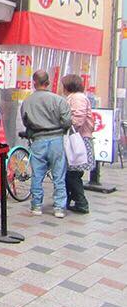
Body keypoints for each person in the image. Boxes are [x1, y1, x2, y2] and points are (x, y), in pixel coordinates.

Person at [21, 71, 72, 218]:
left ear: (34, 82)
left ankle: (36, 206)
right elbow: (67, 121)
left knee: (37, 174)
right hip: (56, 139)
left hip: (38, 140)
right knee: (58, 174)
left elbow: (26, 121)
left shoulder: (27, 102)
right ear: (48, 82)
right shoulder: (59, 100)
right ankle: (59, 208)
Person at [61, 74, 93, 214]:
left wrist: (62, 123)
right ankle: (73, 200)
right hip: (77, 139)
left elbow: (77, 120)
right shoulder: (76, 97)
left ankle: (81, 203)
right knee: (72, 172)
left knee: (72, 173)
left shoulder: (77, 98)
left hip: (78, 141)